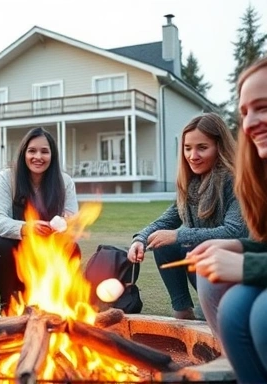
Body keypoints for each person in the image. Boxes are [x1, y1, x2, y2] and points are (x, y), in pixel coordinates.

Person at [190, 57, 267, 384]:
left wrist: (246, 265)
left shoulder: (226, 179)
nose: (250, 123)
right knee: (232, 302)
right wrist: (233, 246)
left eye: (262, 107)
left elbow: (235, 224)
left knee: (263, 313)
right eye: (245, 112)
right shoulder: (258, 176)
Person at [127, 113, 248, 320]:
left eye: (202, 147)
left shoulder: (236, 181)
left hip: (237, 269)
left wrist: (178, 236)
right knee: (163, 242)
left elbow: (235, 231)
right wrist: (140, 239)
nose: (193, 156)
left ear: (219, 147)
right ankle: (182, 310)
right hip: (203, 266)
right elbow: (167, 220)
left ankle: (220, 308)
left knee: (187, 243)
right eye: (187, 148)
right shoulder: (192, 183)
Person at [0, 126, 78, 312]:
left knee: (72, 248)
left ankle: (55, 302)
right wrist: (26, 228)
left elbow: (72, 217)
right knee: (0, 245)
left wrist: (67, 223)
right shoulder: (7, 178)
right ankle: (9, 305)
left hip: (51, 247)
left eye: (45, 151)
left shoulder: (65, 181)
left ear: (52, 156)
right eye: (32, 151)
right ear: (24, 153)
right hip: (16, 246)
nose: (38, 157)